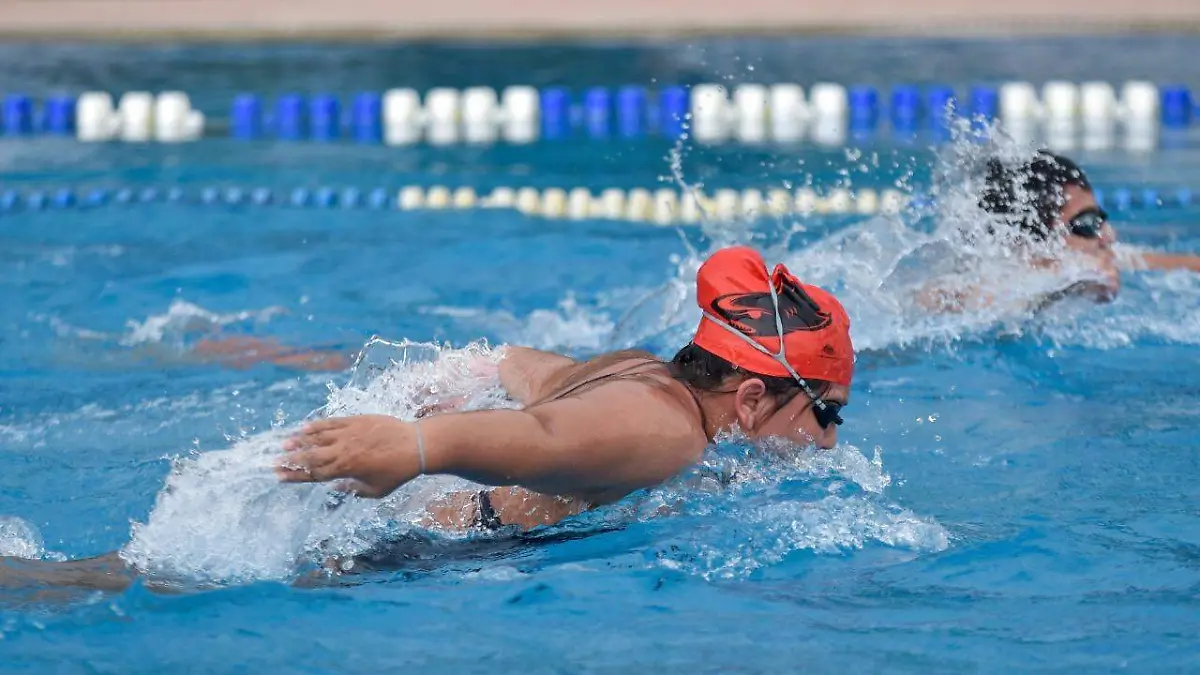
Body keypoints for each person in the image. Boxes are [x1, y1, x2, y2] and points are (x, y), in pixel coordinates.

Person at [1, 246, 855, 590]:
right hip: (422, 531)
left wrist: (433, 397)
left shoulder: (642, 373)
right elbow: (543, 439)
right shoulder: (665, 432)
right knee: (149, 579)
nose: (829, 441)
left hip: (415, 485)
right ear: (750, 396)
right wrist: (411, 446)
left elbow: (521, 369)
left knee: (159, 554)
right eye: (825, 414)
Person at [921, 150, 1200, 312]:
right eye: (1087, 223)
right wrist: (1070, 284)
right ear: (1029, 241)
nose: (1108, 235)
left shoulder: (1100, 256)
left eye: (1101, 219)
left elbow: (1186, 266)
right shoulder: (961, 285)